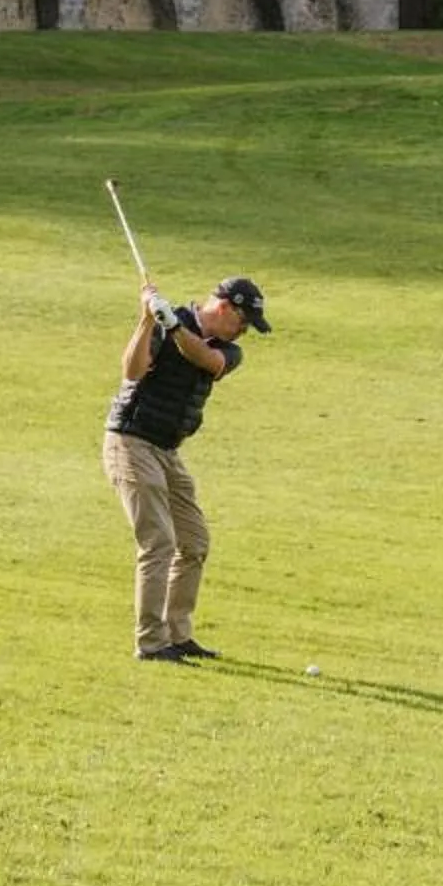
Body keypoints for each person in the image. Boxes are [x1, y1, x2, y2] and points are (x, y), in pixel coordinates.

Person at [103, 275, 270, 662]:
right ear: (225, 307)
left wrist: (174, 326)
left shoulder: (226, 350)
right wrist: (147, 319)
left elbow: (207, 361)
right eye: (243, 322)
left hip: (167, 450)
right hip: (131, 441)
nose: (244, 332)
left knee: (193, 542)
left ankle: (177, 634)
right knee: (158, 542)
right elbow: (131, 370)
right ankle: (150, 642)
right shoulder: (165, 321)